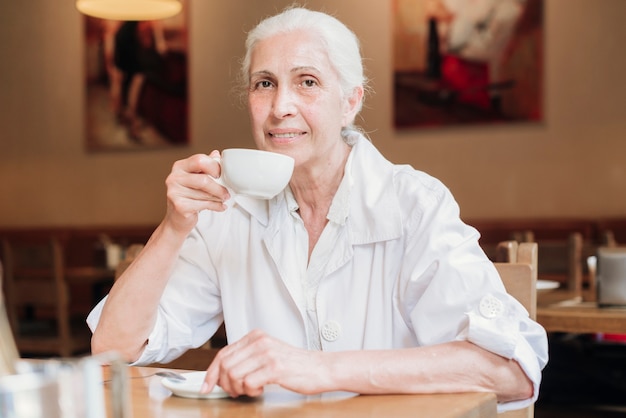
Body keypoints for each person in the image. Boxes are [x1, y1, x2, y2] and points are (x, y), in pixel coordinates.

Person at [87, 6, 547, 413]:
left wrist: (319, 369)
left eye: (307, 82)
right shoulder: (226, 210)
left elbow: (510, 370)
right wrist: (173, 226)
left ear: (351, 102)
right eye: (264, 84)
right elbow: (113, 348)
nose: (280, 107)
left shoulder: (414, 203)